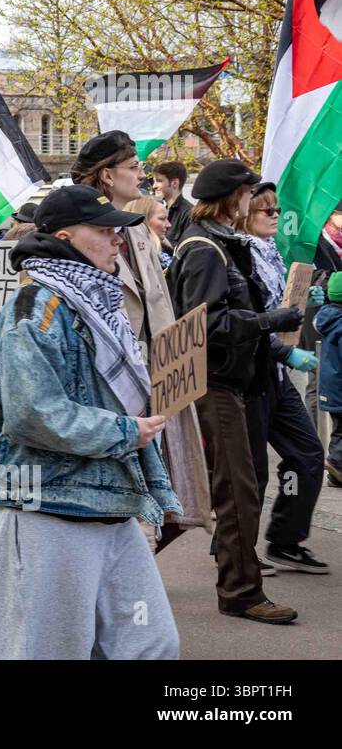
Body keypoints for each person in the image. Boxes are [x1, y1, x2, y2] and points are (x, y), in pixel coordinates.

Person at [0, 184, 182, 658]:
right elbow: (33, 414)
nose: (118, 240)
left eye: (118, 231)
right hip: (46, 501)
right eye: (105, 231)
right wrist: (127, 432)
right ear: (65, 236)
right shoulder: (33, 309)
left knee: (150, 643)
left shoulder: (96, 303)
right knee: (47, 647)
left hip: (108, 499)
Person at [169, 159, 303, 624]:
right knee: (237, 492)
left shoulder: (222, 244)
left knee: (222, 490)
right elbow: (205, 323)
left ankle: (127, 566)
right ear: (232, 198)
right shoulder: (205, 247)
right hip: (214, 384)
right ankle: (242, 592)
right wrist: (272, 321)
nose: (254, 203)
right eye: (248, 194)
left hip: (233, 382)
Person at [73, 131, 211, 547]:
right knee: (123, 485)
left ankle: (134, 564)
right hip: (108, 377)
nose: (142, 175)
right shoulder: (78, 229)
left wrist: (177, 362)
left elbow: (159, 300)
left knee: (168, 484)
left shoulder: (134, 228)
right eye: (134, 167)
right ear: (107, 175)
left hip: (157, 370)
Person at [235, 182, 329, 573]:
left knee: (307, 454)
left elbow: (280, 309)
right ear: (243, 214)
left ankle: (285, 539)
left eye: (276, 209)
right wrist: (286, 350)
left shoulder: (271, 251)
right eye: (265, 210)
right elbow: (243, 324)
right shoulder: (237, 258)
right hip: (248, 375)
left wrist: (307, 301)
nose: (275, 215)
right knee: (251, 471)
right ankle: (236, 551)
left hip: (275, 374)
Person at [318, 273, 342, 486]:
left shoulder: (327, 317)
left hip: (331, 387)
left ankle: (335, 474)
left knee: (339, 428)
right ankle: (336, 463)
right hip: (340, 388)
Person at [152, 160, 193, 248]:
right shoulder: (160, 208)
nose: (154, 186)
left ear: (174, 183)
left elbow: (186, 251)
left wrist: (161, 239)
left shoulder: (189, 214)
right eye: (154, 181)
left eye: (159, 181)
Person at [124, 196, 172, 268]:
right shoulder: (142, 259)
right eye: (162, 219)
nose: (169, 225)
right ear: (143, 221)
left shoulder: (161, 251)